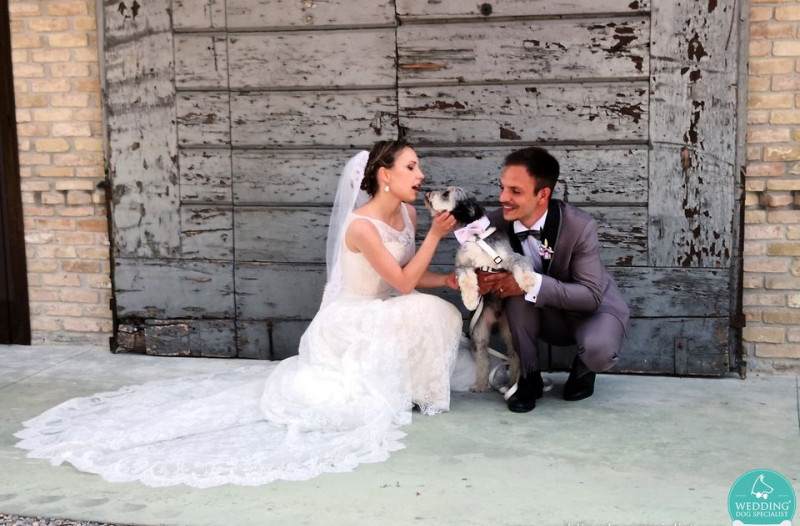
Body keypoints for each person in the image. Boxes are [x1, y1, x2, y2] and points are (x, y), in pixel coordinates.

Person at [15, 141, 471, 488]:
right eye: (411, 166)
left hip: (384, 306)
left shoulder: (407, 216)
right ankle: (396, 390)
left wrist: (448, 280)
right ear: (385, 175)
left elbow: (406, 277)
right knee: (418, 311)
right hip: (352, 317)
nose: (421, 174)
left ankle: (411, 388)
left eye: (419, 167)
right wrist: (436, 237)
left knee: (438, 309)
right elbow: (403, 283)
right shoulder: (362, 226)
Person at [478, 147, 630, 413]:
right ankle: (528, 376)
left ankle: (584, 368)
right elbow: (471, 255)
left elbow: (590, 295)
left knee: (600, 351)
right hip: (536, 310)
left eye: (515, 191)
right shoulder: (493, 223)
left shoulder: (580, 226)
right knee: (515, 290)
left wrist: (529, 282)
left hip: (590, 307)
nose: (503, 198)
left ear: (543, 195)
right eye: (502, 188)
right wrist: (482, 278)